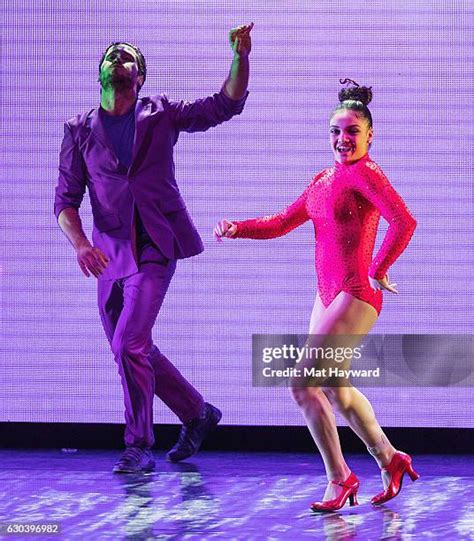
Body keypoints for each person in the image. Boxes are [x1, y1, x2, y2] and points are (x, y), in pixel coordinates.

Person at [54, 23, 253, 473]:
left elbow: (225, 105)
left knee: (129, 342)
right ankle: (197, 413)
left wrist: (240, 57)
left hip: (155, 245)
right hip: (108, 256)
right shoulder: (78, 130)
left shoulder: (160, 113)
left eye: (127, 58)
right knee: (133, 347)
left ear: (139, 77)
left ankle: (138, 445)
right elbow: (65, 202)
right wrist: (81, 244)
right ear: (100, 73)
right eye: (111, 57)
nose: (118, 61)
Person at [214, 79, 419, 511]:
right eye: (336, 131)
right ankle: (390, 458)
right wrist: (238, 228)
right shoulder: (324, 179)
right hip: (326, 294)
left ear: (369, 135)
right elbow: (281, 221)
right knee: (333, 390)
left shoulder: (367, 173)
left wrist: (379, 268)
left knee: (302, 384)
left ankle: (340, 477)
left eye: (352, 131)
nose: (342, 139)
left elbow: (404, 221)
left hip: (356, 291)